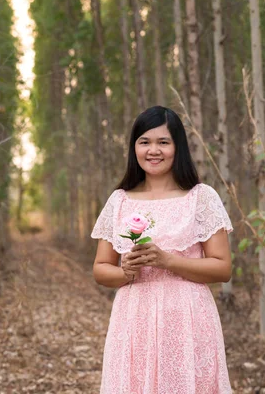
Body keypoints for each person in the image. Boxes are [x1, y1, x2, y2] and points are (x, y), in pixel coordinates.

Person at [91, 106, 233, 393]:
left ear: (177, 147)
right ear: (134, 148)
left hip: (187, 319)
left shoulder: (200, 197)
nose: (153, 150)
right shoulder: (119, 201)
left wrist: (168, 260)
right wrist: (125, 272)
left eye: (163, 142)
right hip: (134, 319)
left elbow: (222, 268)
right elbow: (100, 268)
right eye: (144, 142)